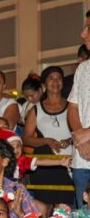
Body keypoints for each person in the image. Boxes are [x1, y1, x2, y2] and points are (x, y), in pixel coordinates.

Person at [22, 66, 74, 206]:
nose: (55, 81)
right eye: (51, 78)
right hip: (45, 165)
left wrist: (69, 140)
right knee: (45, 208)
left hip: (69, 163)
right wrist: (46, 141)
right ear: (44, 84)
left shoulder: (73, 106)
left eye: (58, 78)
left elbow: (79, 131)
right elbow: (26, 138)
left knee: (66, 207)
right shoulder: (36, 109)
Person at [70, 11, 90, 208]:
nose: (83, 34)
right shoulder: (83, 69)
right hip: (82, 160)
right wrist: (80, 137)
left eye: (88, 28)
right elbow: (73, 107)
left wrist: (86, 134)